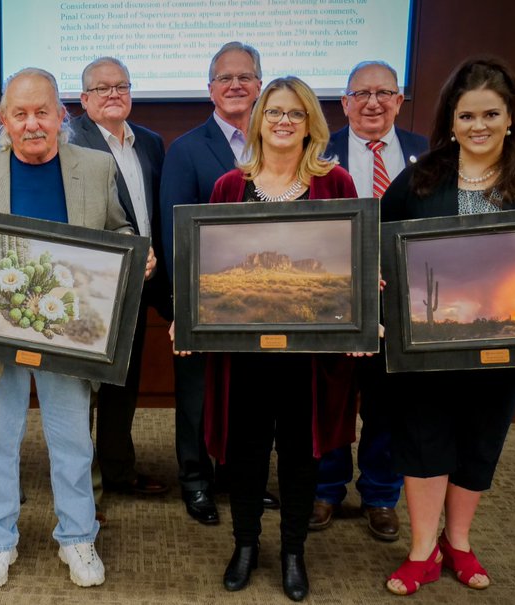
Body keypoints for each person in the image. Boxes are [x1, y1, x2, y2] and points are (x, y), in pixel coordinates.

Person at [0, 67, 152, 589]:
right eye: (20, 114)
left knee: (72, 441)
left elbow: (119, 231)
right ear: (3, 119)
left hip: (70, 334)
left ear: (60, 116)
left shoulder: (94, 168)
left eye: (42, 112)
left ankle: (77, 536)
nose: (32, 124)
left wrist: (136, 258)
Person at [381, 57, 515, 596]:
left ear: (510, 115)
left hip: (510, 341)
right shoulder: (421, 178)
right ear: (451, 119)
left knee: (480, 437)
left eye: (491, 113)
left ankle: (460, 542)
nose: (479, 126)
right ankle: (423, 549)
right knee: (424, 438)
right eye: (467, 115)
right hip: (429, 343)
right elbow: (380, 241)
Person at [177, 76, 360, 602]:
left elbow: (351, 260)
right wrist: (187, 318)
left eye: (295, 114)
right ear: (258, 121)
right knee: (247, 450)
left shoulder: (336, 182)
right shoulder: (230, 187)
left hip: (311, 357)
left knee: (303, 453)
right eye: (274, 112)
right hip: (242, 355)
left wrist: (361, 308)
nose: (283, 122)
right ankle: (246, 544)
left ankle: (294, 551)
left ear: (311, 125)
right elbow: (206, 267)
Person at [159, 41, 277, 525]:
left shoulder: (283, 142)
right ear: (210, 89)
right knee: (197, 396)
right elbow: (173, 231)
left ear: (259, 86)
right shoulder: (187, 149)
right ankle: (196, 480)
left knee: (251, 393)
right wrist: (184, 303)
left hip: (269, 296)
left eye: (245, 77)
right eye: (224, 78)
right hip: (205, 297)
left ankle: (239, 477)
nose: (235, 86)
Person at [310, 60, 429, 540]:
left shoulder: (430, 154)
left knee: (389, 404)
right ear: (344, 104)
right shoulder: (318, 153)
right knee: (330, 398)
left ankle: (381, 495)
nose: (372, 102)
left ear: (399, 101)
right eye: (361, 94)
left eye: (383, 93)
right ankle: (326, 489)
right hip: (336, 297)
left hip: (404, 301)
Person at [70, 56, 169, 501]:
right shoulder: (70, 141)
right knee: (87, 384)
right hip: (94, 281)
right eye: (103, 88)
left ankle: (117, 469)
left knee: (125, 381)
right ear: (84, 99)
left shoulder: (149, 141)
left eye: (122, 86)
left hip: (147, 277)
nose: (114, 94)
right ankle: (81, 483)